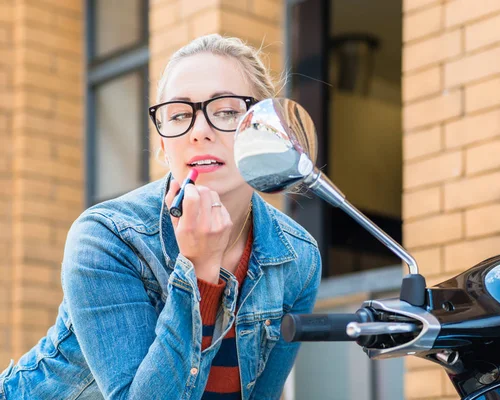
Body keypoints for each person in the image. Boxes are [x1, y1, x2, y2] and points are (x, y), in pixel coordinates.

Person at [0, 34, 322, 400]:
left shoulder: (298, 258)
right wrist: (199, 272)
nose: (199, 131)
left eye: (228, 111)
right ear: (164, 145)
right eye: (180, 115)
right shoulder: (106, 238)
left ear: (267, 128)